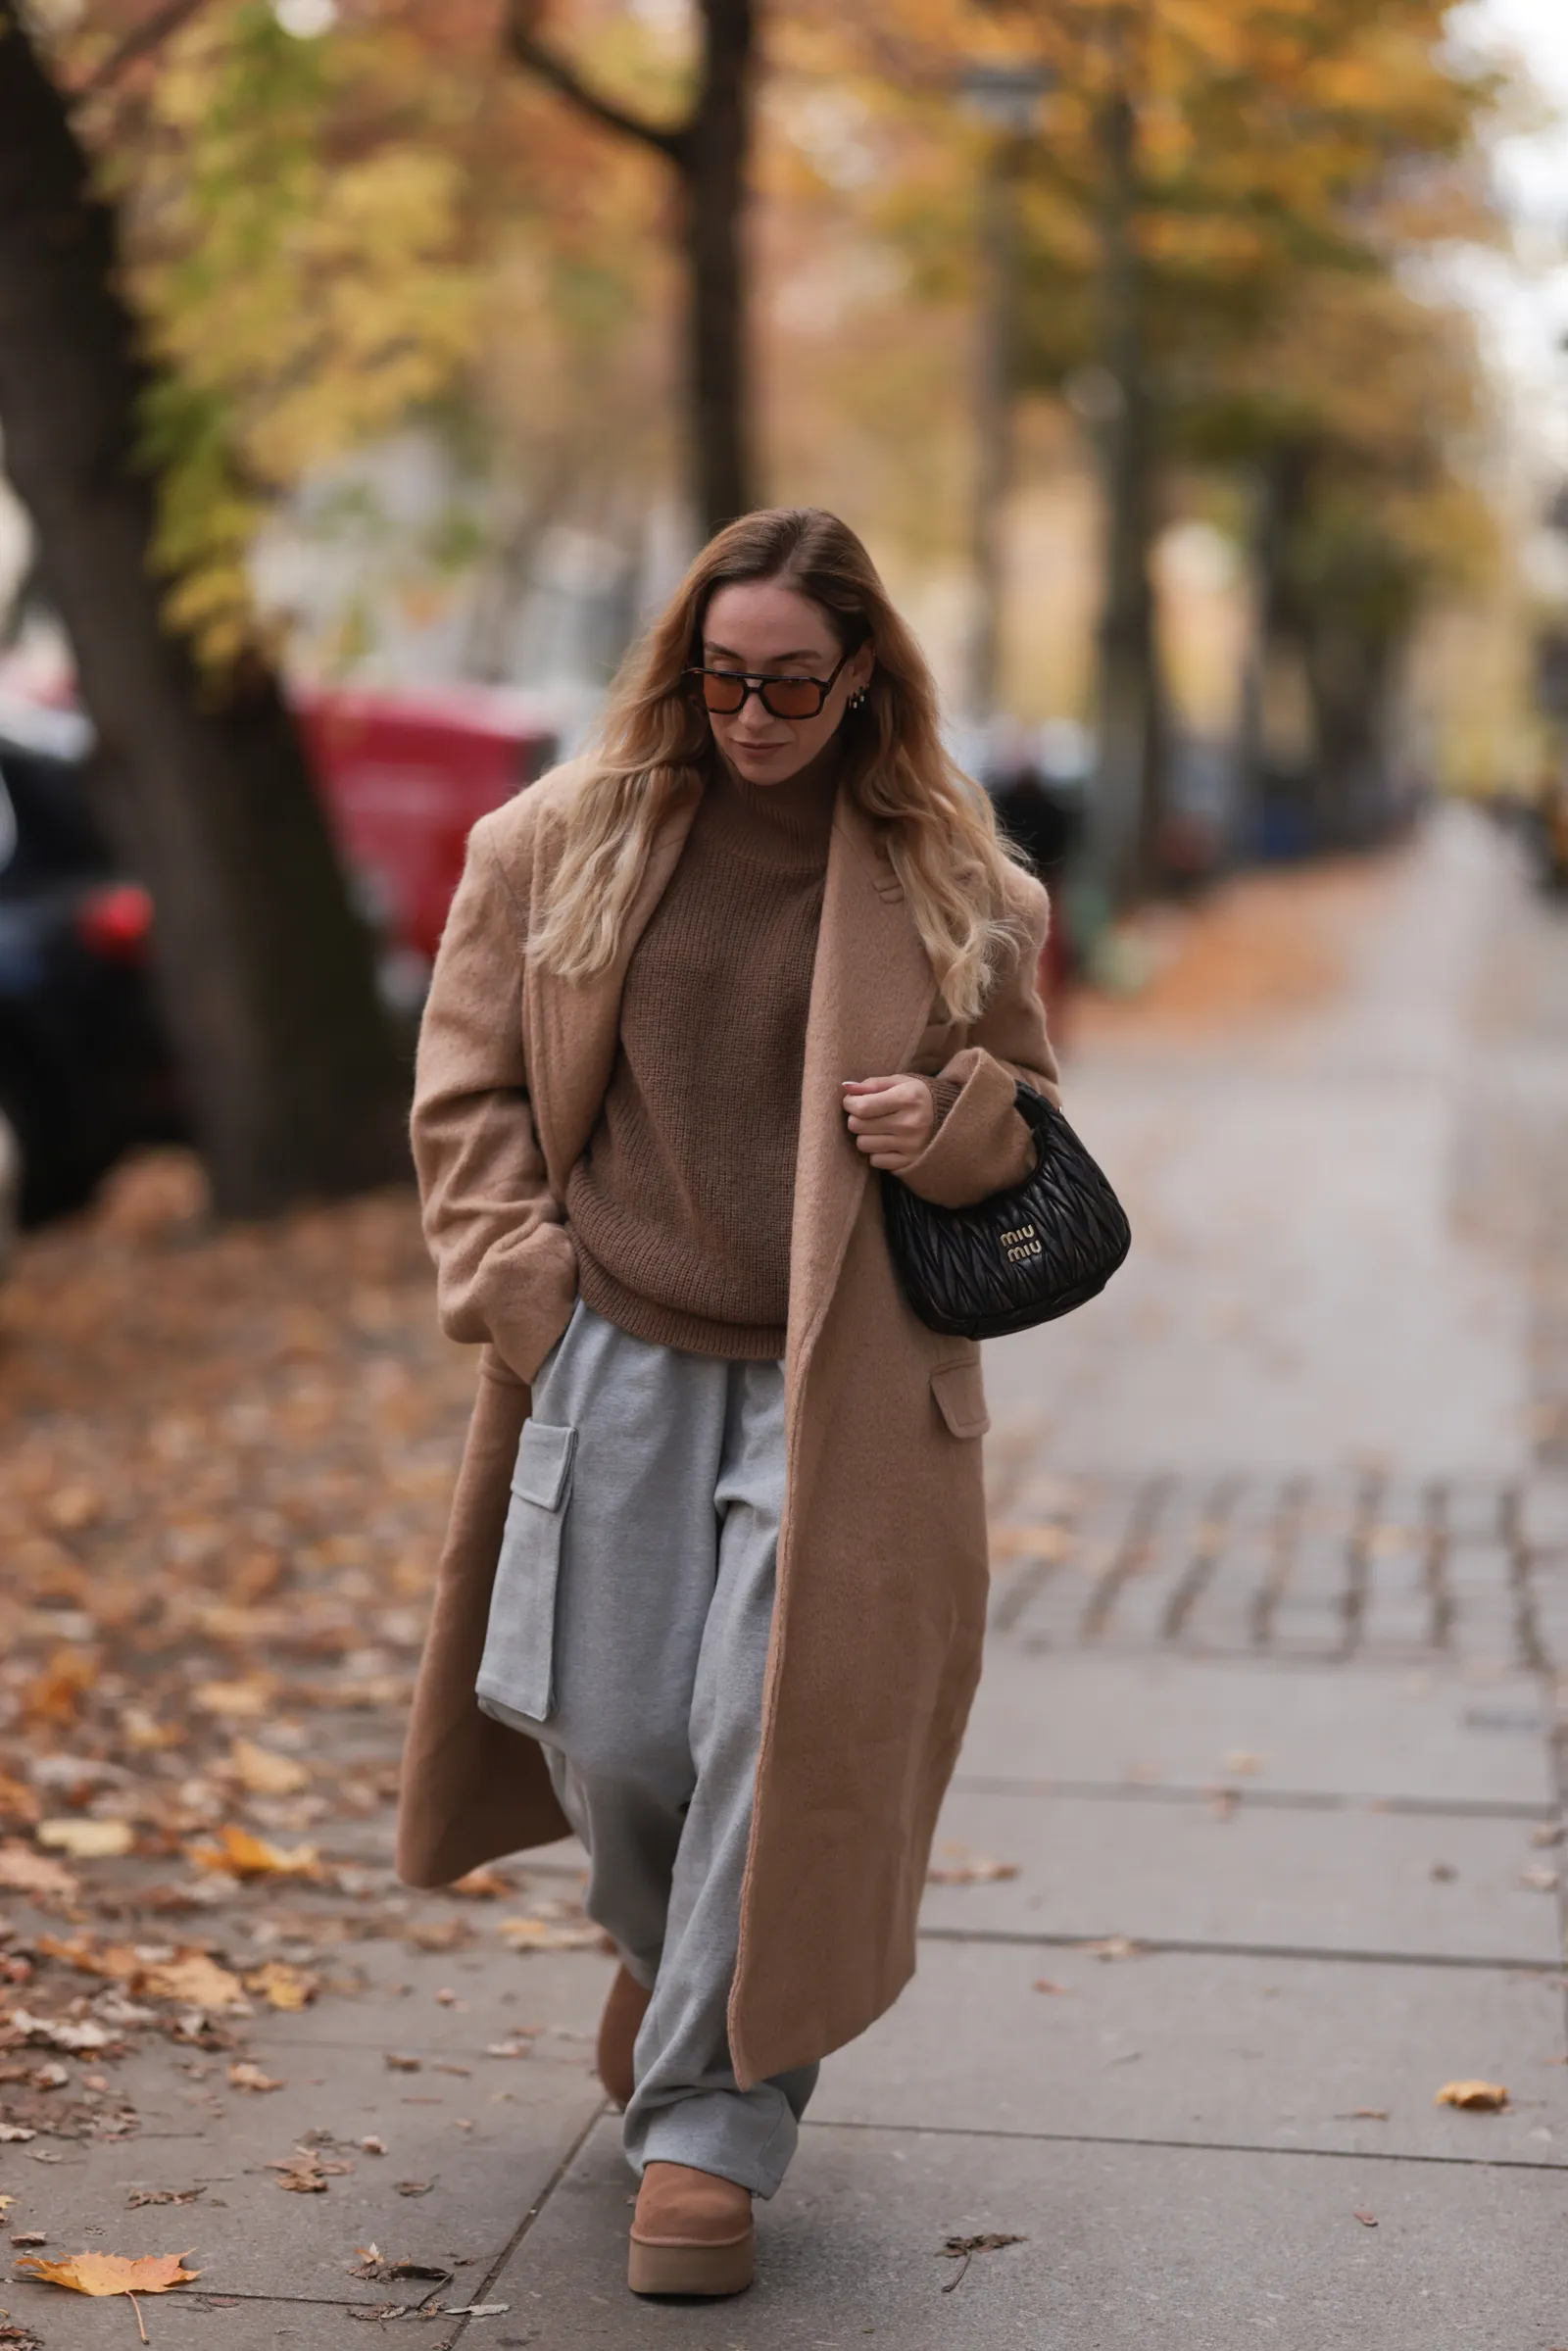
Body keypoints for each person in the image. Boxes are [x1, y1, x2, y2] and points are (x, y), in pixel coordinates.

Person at [399, 507, 1058, 2300]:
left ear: (862, 685)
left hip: (835, 1385)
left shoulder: (964, 888)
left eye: (790, 684)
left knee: (779, 1740)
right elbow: (464, 1096)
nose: (752, 714)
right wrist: (520, 1284)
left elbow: (1034, 1129)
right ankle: (677, 1946)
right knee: (611, 1732)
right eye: (722, 676)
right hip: (608, 1345)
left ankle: (706, 2126)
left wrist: (957, 1129)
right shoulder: (558, 843)